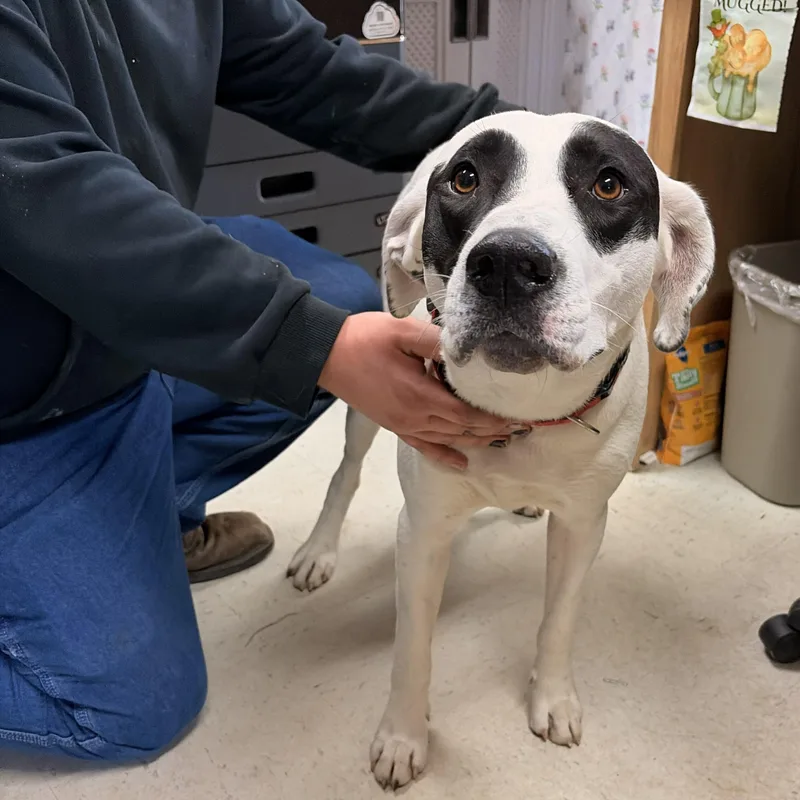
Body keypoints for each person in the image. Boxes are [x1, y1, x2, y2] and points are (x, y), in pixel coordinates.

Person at [0, 0, 522, 762]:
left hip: (118, 325)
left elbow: (310, 70)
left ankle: (154, 521)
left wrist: (522, 132)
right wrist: (314, 345)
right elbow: (48, 191)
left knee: (333, 305)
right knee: (133, 708)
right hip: (21, 396)